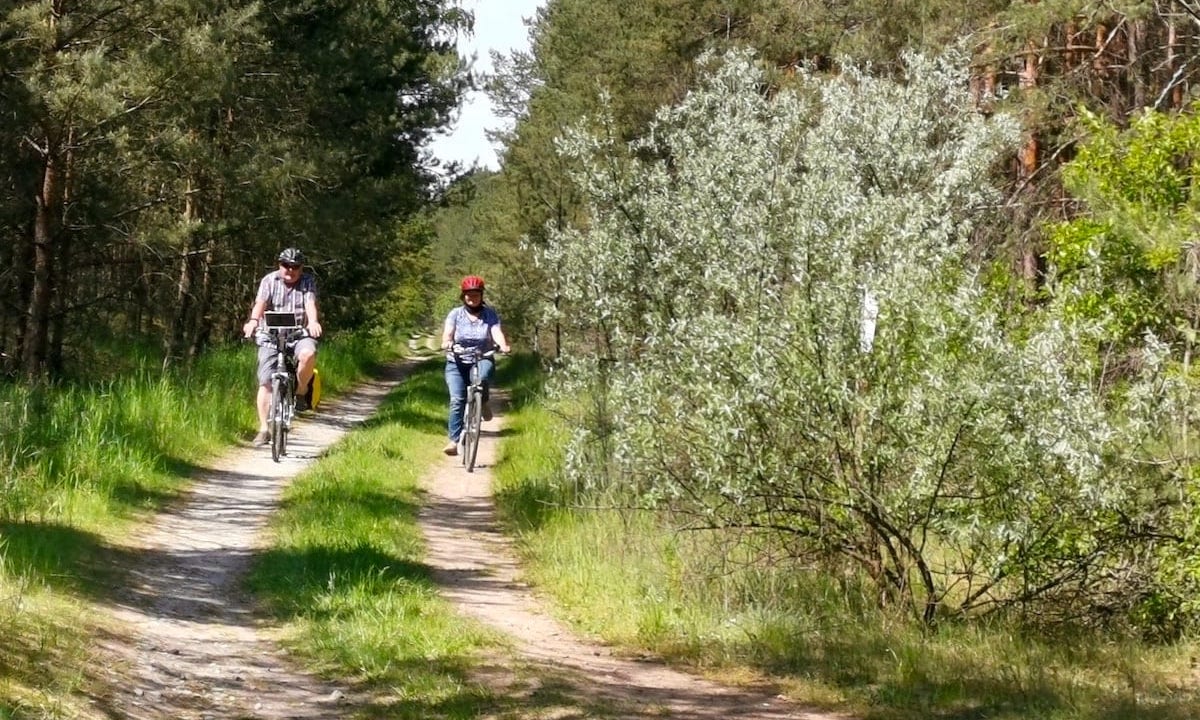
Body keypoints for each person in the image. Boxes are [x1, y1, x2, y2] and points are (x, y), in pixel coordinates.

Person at [242, 248, 323, 446]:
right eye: (286, 265)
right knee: (266, 381)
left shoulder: (307, 282)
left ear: (301, 268)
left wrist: (313, 322)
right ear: (279, 265)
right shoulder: (269, 280)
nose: (290, 270)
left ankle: (301, 391)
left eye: (295, 267)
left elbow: (310, 304)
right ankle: (264, 429)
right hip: (271, 335)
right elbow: (260, 304)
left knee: (308, 354)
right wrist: (253, 321)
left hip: (297, 334)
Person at [440, 275, 510, 455]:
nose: (473, 298)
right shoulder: (455, 314)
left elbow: (496, 331)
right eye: (469, 295)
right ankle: (454, 442)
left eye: (476, 294)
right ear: (463, 296)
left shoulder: (490, 314)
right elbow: (448, 334)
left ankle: (483, 401)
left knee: (482, 377)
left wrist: (503, 345)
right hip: (457, 360)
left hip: (482, 357)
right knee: (457, 400)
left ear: (482, 295)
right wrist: (447, 342)